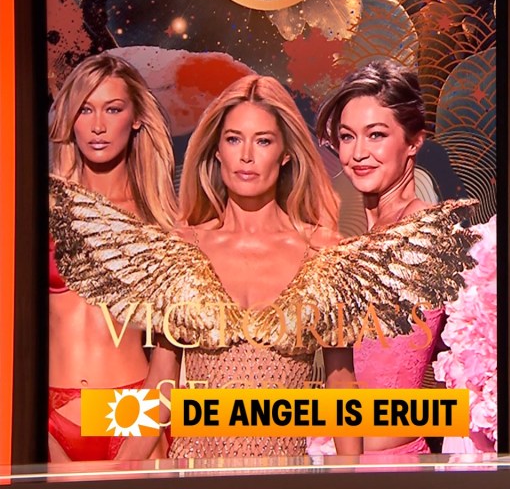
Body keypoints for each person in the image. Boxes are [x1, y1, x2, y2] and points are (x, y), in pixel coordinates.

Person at [50, 74, 479, 459]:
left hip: (284, 471)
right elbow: (161, 385)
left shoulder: (323, 250)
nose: (247, 157)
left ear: (286, 154)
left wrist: (348, 474)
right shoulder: (183, 246)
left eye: (263, 141)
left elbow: (341, 385)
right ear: (216, 151)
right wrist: (122, 469)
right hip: (193, 468)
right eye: (234, 139)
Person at [47, 53, 178, 461]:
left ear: (136, 118)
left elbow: (168, 356)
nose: (98, 126)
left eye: (113, 109)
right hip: (50, 413)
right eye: (85, 110)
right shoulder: (40, 211)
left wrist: (140, 441)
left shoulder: (160, 223)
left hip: (132, 410)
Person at [313, 60, 444, 456]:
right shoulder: (355, 242)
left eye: (376, 135)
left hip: (394, 465)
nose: (358, 153)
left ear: (414, 141)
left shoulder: (426, 230)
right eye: (347, 136)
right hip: (336, 457)